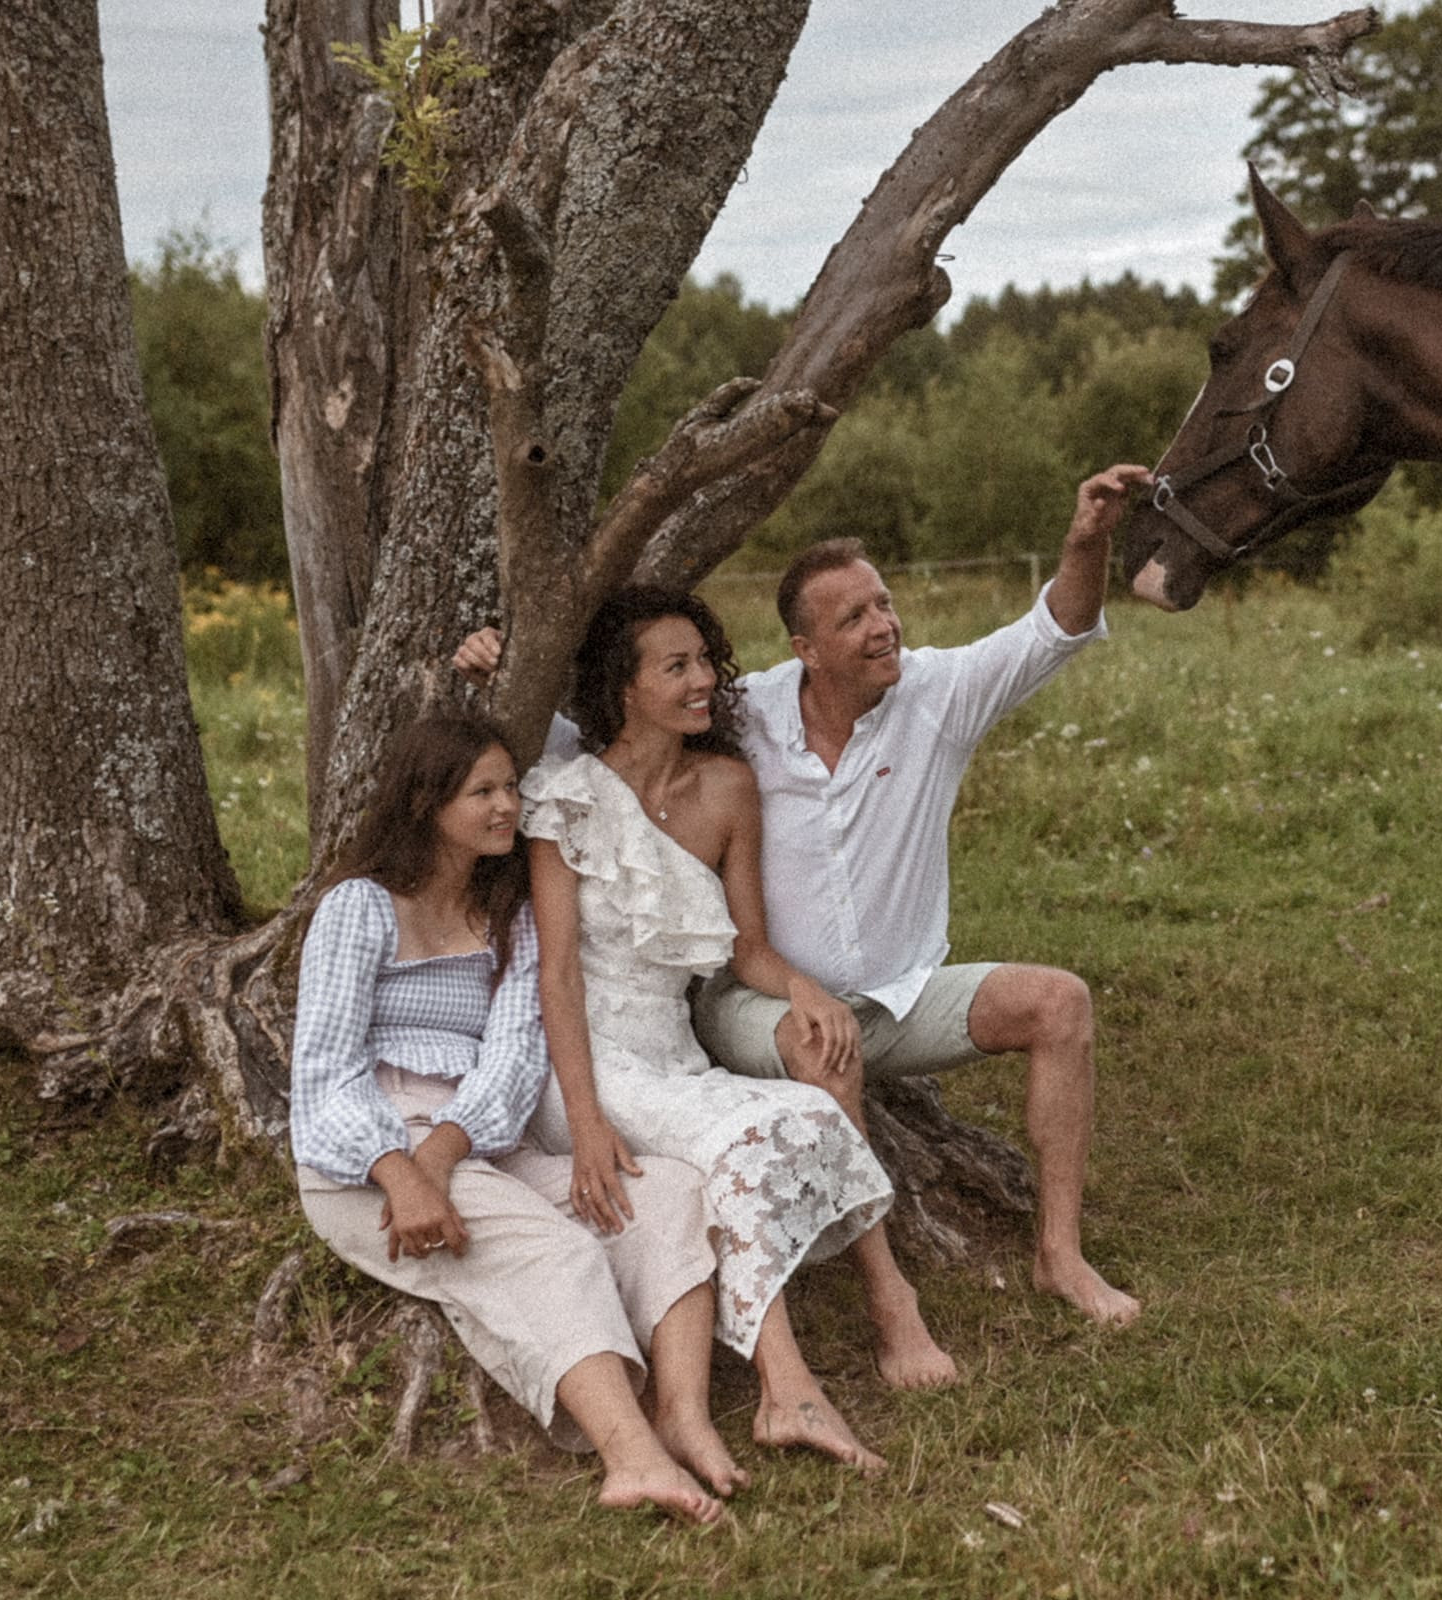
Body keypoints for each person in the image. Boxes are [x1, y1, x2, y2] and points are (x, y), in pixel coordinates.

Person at [460, 464, 1154, 1328]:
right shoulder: (744, 714)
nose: (883, 627)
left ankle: (1060, 1254)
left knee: (1060, 1003)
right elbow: (611, 754)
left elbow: (1055, 628)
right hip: (756, 999)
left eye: (886, 604)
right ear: (805, 648)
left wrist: (1086, 540)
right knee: (821, 1047)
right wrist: (504, 673)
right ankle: (890, 1296)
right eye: (854, 617)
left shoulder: (935, 695)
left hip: (901, 995)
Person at [291, 713, 738, 1525]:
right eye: (483, 791)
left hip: (476, 1139)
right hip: (362, 1159)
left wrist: (443, 1158)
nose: (508, 806)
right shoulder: (359, 908)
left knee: (667, 1195)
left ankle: (683, 1414)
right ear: (428, 803)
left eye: (512, 786)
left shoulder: (511, 914)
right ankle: (632, 1458)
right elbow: (323, 1073)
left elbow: (510, 1058)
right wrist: (402, 1170)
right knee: (550, 1249)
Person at [521, 587, 924, 1474]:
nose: (704, 680)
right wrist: (585, 1120)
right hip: (584, 1062)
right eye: (677, 667)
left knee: (809, 1114)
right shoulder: (566, 798)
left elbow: (747, 949)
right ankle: (789, 1390)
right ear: (624, 689)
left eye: (706, 660)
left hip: (671, 1054)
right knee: (742, 1140)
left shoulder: (729, 787)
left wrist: (804, 989)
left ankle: (789, 1391)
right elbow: (553, 974)